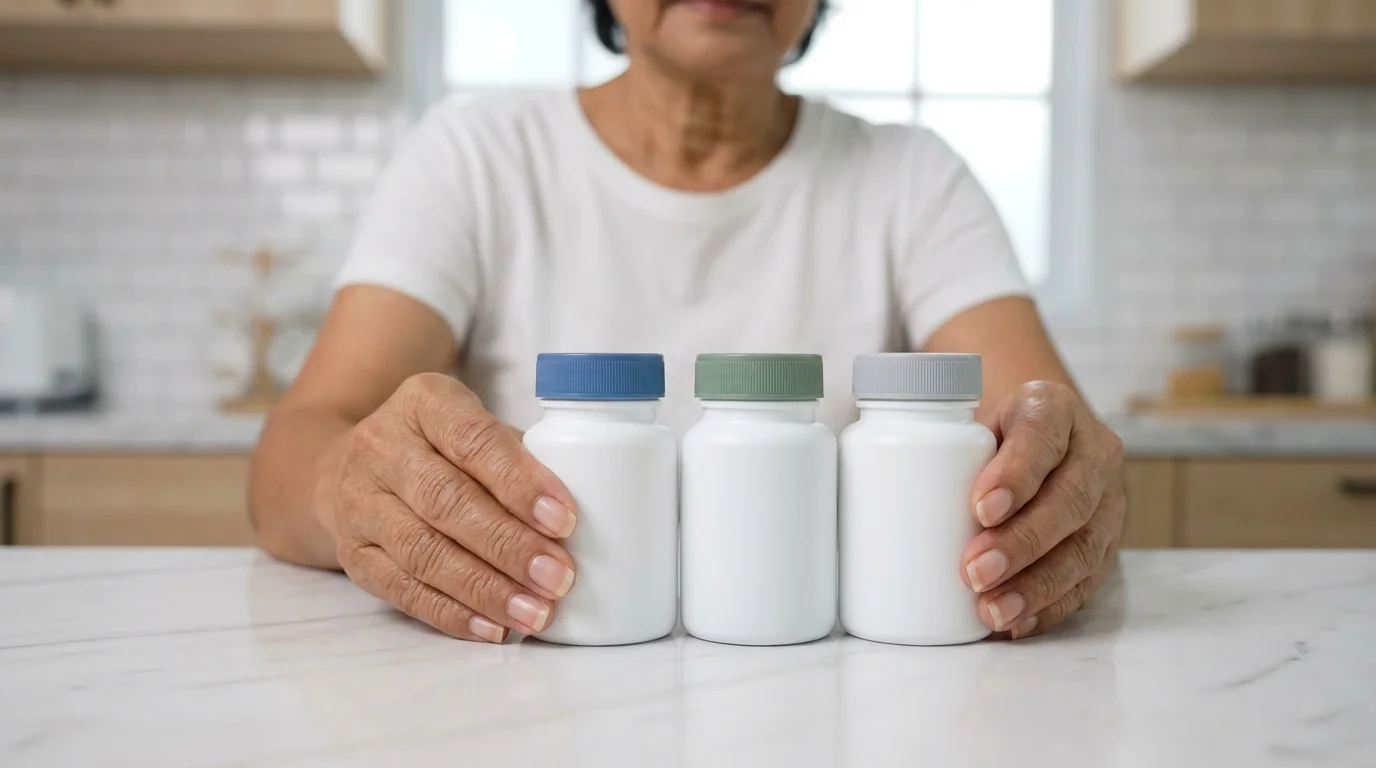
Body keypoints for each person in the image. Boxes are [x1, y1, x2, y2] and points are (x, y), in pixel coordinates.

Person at [249, 0, 1126, 645]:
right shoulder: (475, 158)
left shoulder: (910, 176)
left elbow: (1047, 430)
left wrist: (1066, 487)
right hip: (542, 674)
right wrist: (351, 492)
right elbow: (296, 450)